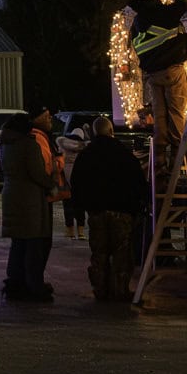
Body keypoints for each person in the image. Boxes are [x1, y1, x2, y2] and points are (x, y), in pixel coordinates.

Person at [127, 0, 187, 180]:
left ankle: (159, 165)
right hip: (172, 71)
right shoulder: (162, 15)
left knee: (159, 118)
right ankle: (177, 163)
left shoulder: (136, 27)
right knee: (177, 113)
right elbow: (185, 1)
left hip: (153, 77)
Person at [69, 116, 149, 302]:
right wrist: (138, 205)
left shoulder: (86, 155)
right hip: (121, 211)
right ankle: (120, 291)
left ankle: (101, 290)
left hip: (96, 211)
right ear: (112, 131)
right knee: (121, 253)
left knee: (99, 253)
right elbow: (137, 182)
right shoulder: (123, 154)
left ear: (94, 132)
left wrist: (81, 208)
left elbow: (77, 183)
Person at [0, 108, 68, 302]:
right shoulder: (28, 145)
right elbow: (37, 172)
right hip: (30, 200)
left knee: (18, 243)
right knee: (34, 245)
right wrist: (51, 185)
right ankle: (34, 286)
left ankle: (15, 283)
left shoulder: (6, 145)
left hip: (11, 197)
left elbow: (2, 171)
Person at [53, 116, 90, 240]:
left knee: (67, 206)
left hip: (65, 180)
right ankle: (80, 231)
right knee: (80, 206)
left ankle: (69, 231)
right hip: (79, 181)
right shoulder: (83, 148)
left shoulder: (62, 145)